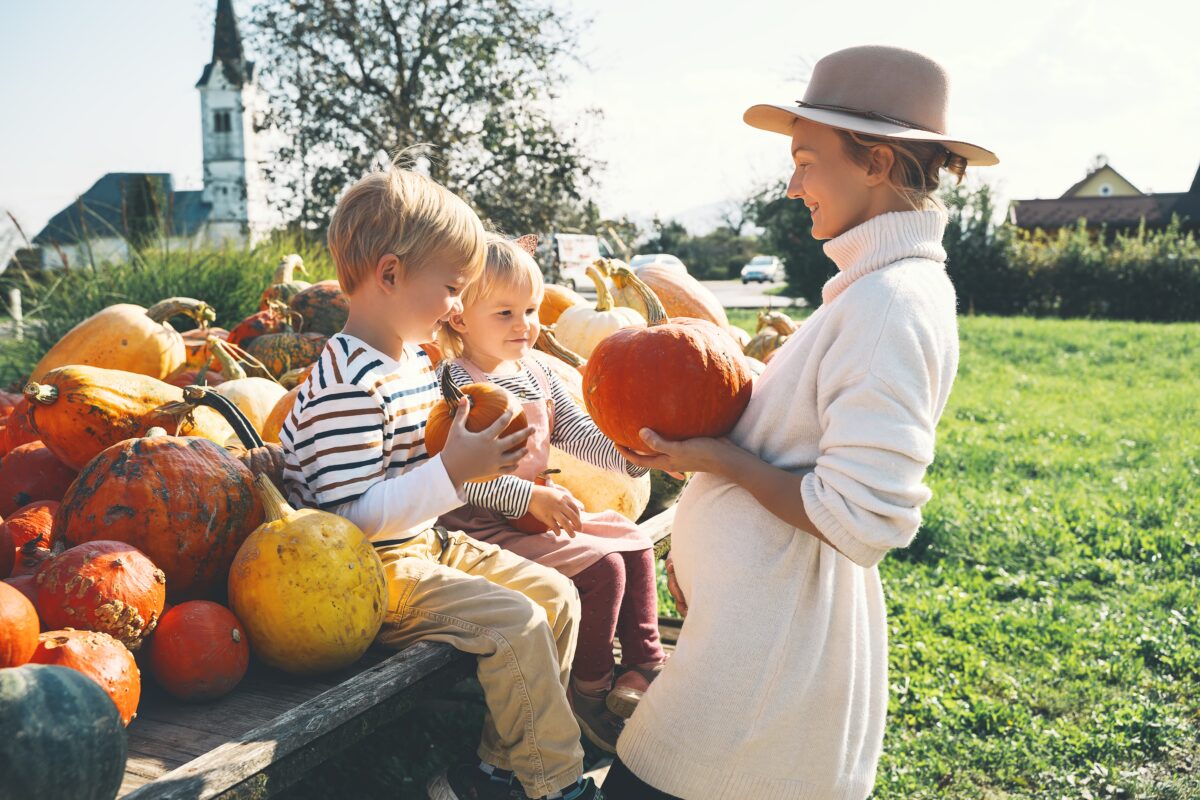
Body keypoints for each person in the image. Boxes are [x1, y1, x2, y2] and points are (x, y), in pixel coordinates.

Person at [605, 45, 998, 799]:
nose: (792, 185)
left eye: (806, 159)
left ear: (877, 161)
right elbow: (810, 430)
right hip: (755, 637)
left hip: (766, 664)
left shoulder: (889, 304)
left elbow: (862, 518)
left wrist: (717, 458)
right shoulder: (874, 290)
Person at [278, 167, 603, 800]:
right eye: (453, 288)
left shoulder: (406, 362)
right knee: (517, 623)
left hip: (421, 545)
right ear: (391, 274)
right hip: (368, 573)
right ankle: (558, 785)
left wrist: (470, 461)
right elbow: (350, 519)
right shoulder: (348, 386)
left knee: (558, 597)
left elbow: (424, 470)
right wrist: (455, 471)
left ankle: (491, 774)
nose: (459, 306)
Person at [436, 234, 667, 753]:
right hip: (482, 528)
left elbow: (581, 433)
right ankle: (588, 690)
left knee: (632, 539)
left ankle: (643, 662)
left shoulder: (537, 372)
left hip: (535, 515)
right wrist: (529, 499)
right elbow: (462, 474)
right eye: (505, 314)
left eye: (532, 310)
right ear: (458, 319)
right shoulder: (455, 383)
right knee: (602, 568)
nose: (524, 325)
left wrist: (631, 455)